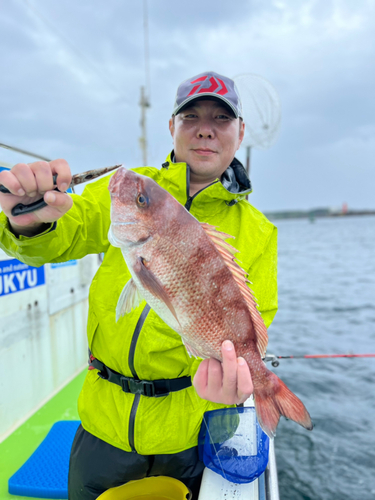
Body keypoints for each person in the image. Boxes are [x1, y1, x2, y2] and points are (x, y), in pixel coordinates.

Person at [0, 71, 277, 499]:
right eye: (191, 117)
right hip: (101, 427)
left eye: (221, 118)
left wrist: (236, 377)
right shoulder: (138, 188)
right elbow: (65, 230)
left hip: (185, 434)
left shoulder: (259, 232)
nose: (205, 127)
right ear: (172, 127)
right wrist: (31, 221)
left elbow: (254, 321)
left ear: (239, 133)